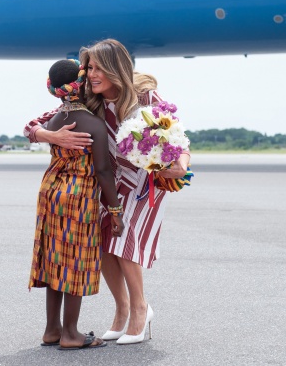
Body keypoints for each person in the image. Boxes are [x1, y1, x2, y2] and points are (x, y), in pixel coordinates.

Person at [24, 39, 190, 345]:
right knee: (102, 241)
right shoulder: (87, 97)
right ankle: (122, 307)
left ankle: (140, 308)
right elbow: (33, 125)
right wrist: (51, 135)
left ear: (116, 68)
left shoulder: (145, 96)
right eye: (89, 67)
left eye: (98, 67)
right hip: (112, 182)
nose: (91, 74)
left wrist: (181, 164)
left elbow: (178, 138)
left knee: (123, 236)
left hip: (145, 182)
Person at [28, 59, 125, 350]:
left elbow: (33, 128)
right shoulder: (92, 123)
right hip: (78, 196)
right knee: (75, 264)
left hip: (50, 192)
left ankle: (52, 330)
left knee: (55, 261)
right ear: (81, 83)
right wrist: (115, 210)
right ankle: (71, 333)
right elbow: (103, 171)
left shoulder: (54, 120)